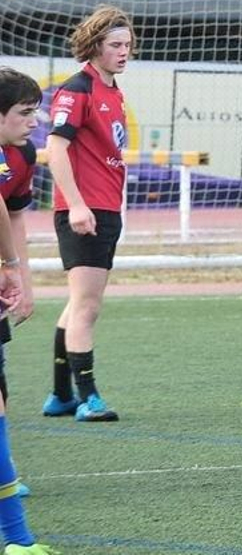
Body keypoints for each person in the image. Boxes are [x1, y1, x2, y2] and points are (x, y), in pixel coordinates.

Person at [42, 5, 134, 424]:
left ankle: (61, 395)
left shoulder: (112, 91)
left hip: (104, 207)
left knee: (78, 303)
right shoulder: (77, 89)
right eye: (116, 45)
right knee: (87, 308)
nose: (124, 52)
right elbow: (57, 148)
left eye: (129, 45)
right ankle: (88, 397)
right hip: (86, 208)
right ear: (95, 46)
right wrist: (76, 204)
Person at [0, 69, 51, 555]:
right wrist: (10, 268)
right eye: (24, 112)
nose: (34, 121)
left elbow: (10, 213)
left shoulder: (20, 155)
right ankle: (16, 538)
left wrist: (20, 280)